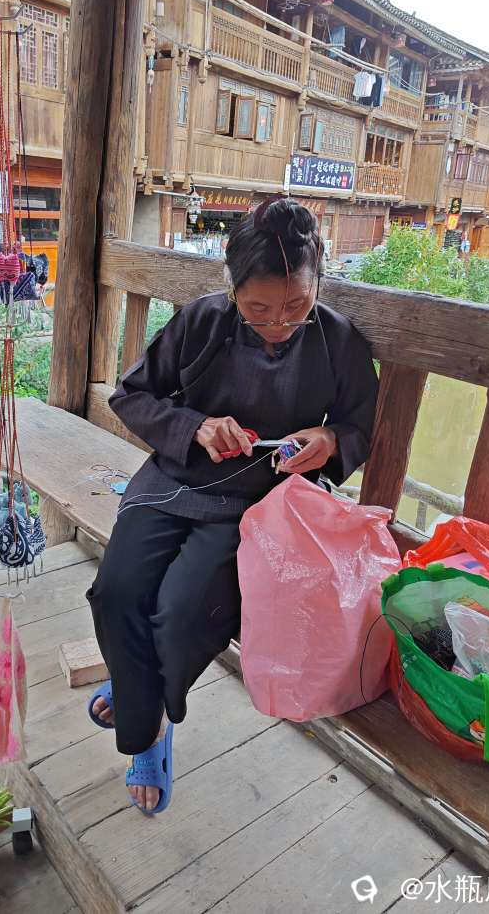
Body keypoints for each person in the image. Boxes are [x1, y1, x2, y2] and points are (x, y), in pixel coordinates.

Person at [86, 198, 379, 815]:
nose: (279, 324)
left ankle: (144, 722)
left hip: (261, 507)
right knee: (117, 591)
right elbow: (132, 395)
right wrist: (195, 427)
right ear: (232, 288)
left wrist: (327, 440)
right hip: (174, 480)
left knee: (183, 610)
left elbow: (357, 428)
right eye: (258, 309)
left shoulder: (339, 342)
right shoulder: (201, 322)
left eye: (296, 305)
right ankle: (141, 697)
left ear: (319, 282)